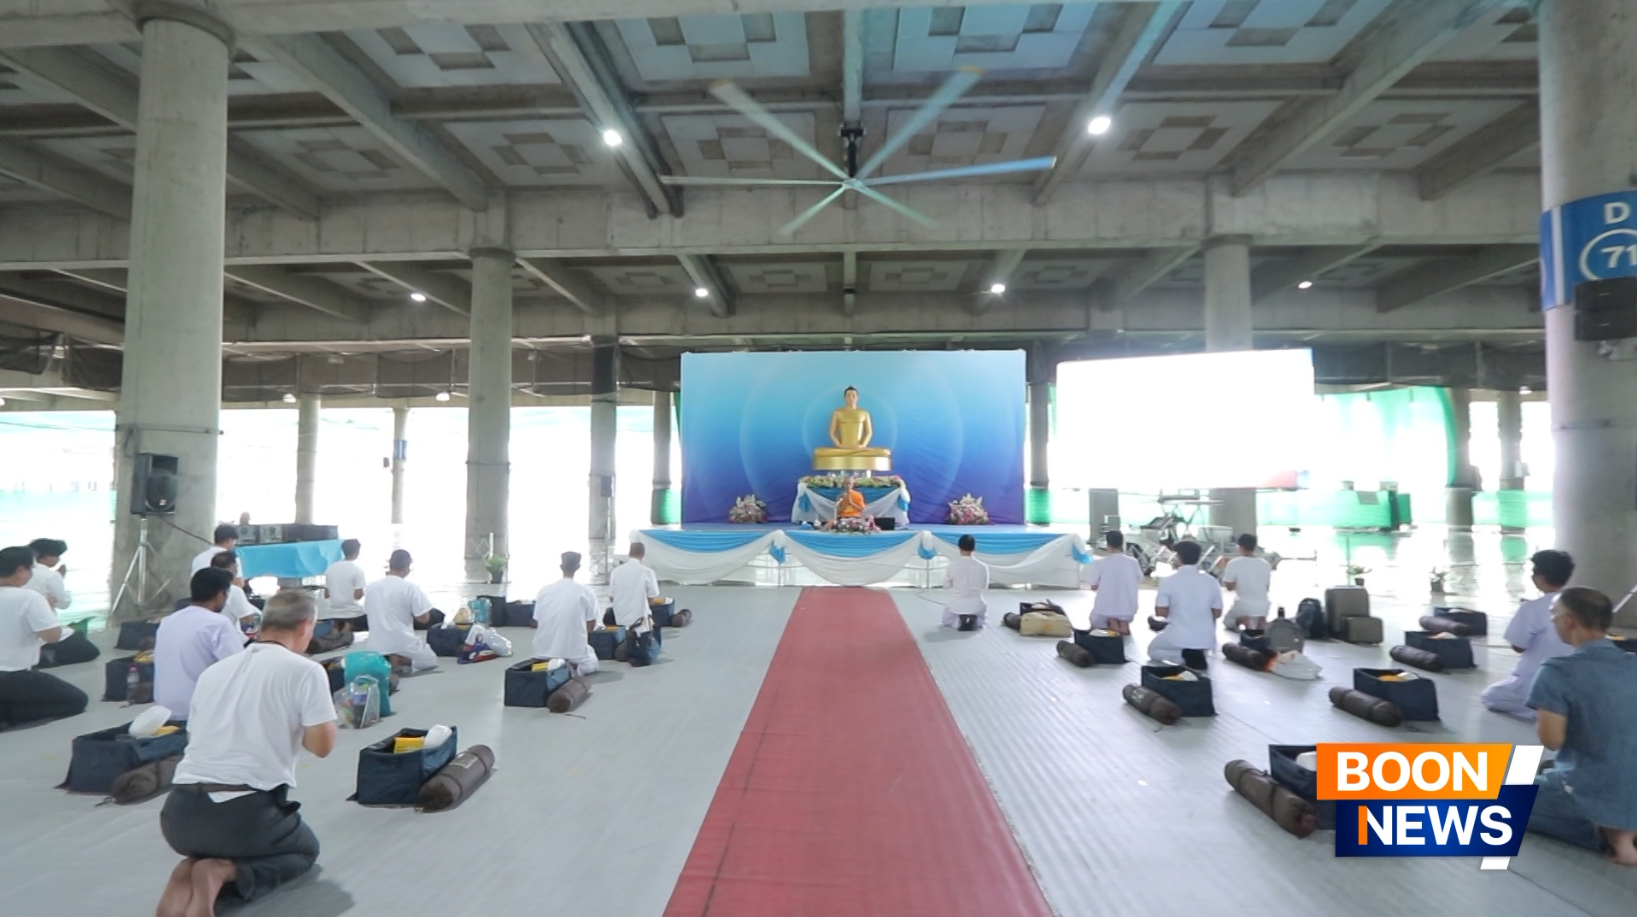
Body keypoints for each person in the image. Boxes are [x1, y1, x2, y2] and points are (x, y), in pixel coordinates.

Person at [156, 590, 337, 916]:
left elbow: (196, 736)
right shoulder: (305, 670)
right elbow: (322, 747)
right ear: (306, 625)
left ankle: (189, 869)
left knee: (213, 845)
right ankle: (221, 872)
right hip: (242, 817)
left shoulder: (214, 672)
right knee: (304, 851)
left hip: (179, 816)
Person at [1525, 587, 1637, 865]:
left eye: (1554, 615)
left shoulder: (1557, 671)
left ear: (1569, 620)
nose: (1553, 621)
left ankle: (1609, 830)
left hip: (1587, 792)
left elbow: (1552, 740)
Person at [1483, 549, 1575, 721]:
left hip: (1536, 681)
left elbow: (1518, 646)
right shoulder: (1579, 605)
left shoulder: (1532, 607)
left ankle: (1541, 711)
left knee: (1490, 695)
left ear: (1540, 578)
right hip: (1573, 683)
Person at [0, 546, 87, 727]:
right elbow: (52, 637)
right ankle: (8, 715)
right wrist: (46, 611)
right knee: (76, 700)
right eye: (31, 568)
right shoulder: (29, 598)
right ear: (21, 570)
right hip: (14, 675)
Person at [154, 568, 247, 721]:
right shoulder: (218, 623)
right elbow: (238, 669)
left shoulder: (168, 621)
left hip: (163, 711)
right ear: (220, 594)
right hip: (199, 712)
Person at [1147, 540, 1222, 669]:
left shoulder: (1169, 582)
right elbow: (1217, 613)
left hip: (1178, 636)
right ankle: (1196, 655)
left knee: (1153, 651)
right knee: (1196, 645)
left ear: (1178, 557)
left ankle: (1182, 657)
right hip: (1206, 639)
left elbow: (1161, 613)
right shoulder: (1211, 581)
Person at [362, 549, 437, 673]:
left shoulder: (371, 588)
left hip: (375, 645)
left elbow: (368, 612)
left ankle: (385, 659)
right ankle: (401, 659)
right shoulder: (410, 588)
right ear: (407, 567)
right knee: (430, 659)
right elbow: (424, 618)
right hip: (403, 642)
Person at [531, 552, 599, 675]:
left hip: (543, 653)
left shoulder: (544, 591)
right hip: (574, 655)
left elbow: (537, 621)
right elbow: (591, 625)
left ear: (561, 566)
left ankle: (554, 667)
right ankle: (572, 669)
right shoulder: (586, 592)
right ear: (578, 567)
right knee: (591, 658)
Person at [1086, 531, 1142, 635]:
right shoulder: (1133, 562)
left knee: (1096, 620)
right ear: (1122, 543)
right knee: (1123, 612)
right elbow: (1138, 579)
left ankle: (1112, 622)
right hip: (1128, 609)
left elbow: (1093, 586)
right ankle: (1123, 623)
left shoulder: (1100, 563)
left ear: (1108, 544)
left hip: (1104, 610)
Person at [1221, 534, 1272, 632]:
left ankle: (1243, 620)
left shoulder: (1234, 563)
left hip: (1243, 604)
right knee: (1257, 616)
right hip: (1264, 605)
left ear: (1241, 547)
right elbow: (1266, 587)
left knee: (1227, 621)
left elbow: (1229, 587)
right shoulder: (1265, 564)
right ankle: (1261, 620)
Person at [608, 542, 660, 632]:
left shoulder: (615, 572)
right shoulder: (647, 572)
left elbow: (611, 597)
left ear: (629, 553)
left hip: (620, 619)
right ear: (643, 554)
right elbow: (651, 598)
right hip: (640, 620)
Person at [941, 534, 988, 631]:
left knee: (946, 621)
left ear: (959, 548)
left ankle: (959, 622)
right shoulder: (983, 567)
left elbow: (946, 585)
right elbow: (984, 587)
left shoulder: (952, 565)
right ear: (974, 548)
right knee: (982, 620)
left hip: (956, 604)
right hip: (976, 604)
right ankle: (974, 621)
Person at [322, 539, 368, 631]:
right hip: (354, 615)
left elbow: (326, 594)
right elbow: (358, 596)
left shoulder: (330, 568)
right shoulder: (357, 570)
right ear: (357, 552)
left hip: (334, 615)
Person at [209, 551, 258, 626]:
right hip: (230, 634)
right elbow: (247, 619)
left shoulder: (205, 587)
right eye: (237, 567)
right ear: (232, 567)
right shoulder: (233, 590)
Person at [24, 538, 71, 611]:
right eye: (57, 556)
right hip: (42, 617)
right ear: (46, 556)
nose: (59, 559)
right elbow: (63, 603)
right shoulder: (51, 575)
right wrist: (60, 578)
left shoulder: (19, 571)